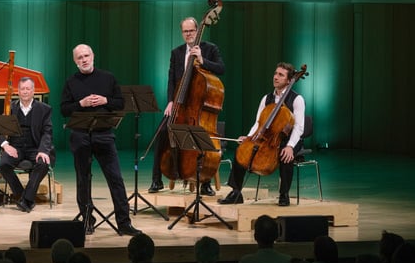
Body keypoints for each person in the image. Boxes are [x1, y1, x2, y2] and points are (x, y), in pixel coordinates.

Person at [61, 44, 140, 236]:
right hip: (80, 136)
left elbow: (120, 103)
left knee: (116, 179)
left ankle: (124, 222)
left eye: (86, 56)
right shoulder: (71, 82)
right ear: (75, 61)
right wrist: (80, 104)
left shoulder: (108, 77)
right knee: (83, 180)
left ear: (93, 56)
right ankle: (87, 219)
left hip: (104, 135)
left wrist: (105, 101)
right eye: (79, 58)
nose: (84, 60)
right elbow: (64, 109)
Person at [151, 16, 226, 195]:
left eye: (191, 30)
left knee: (201, 136)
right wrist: (170, 100)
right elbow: (172, 79)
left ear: (197, 30)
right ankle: (156, 180)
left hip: (200, 108)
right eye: (185, 31)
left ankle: (205, 182)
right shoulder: (176, 52)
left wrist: (201, 59)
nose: (188, 34)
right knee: (162, 132)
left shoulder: (209, 49)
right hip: (180, 105)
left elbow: (221, 69)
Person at [219, 62, 306, 207]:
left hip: (289, 138)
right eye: (275, 73)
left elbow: (298, 127)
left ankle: (284, 194)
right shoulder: (266, 99)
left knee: (285, 155)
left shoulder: (297, 99)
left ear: (289, 80)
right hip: (268, 137)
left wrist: (291, 146)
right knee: (242, 151)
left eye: (281, 75)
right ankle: (236, 192)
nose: (276, 77)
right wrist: (249, 138)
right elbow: (258, 123)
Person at [0, 77, 54, 213]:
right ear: (18, 91)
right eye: (22, 89)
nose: (25, 92)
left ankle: (26, 199)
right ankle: (23, 196)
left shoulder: (44, 109)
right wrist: (5, 145)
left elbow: (47, 132)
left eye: (28, 89)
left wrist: (43, 150)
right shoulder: (9, 107)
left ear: (33, 91)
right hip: (16, 148)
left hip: (36, 147)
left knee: (43, 163)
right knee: (3, 165)